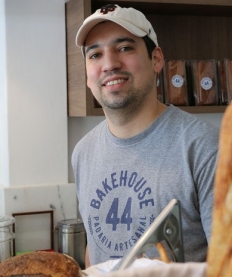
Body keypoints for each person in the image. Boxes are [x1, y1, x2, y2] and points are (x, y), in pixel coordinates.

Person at [71, 4, 220, 267]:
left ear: (156, 59)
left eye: (125, 48)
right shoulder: (83, 153)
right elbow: (94, 252)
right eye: (95, 55)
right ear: (87, 74)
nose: (109, 64)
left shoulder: (205, 147)